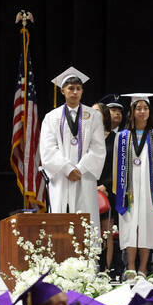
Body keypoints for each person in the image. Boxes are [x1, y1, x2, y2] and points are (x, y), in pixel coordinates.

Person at [39, 67, 107, 236]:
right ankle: (60, 259)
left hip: (85, 177)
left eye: (78, 88)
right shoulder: (51, 117)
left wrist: (80, 169)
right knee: (60, 218)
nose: (74, 92)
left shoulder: (94, 116)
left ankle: (87, 261)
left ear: (82, 91)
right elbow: (47, 148)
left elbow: (98, 147)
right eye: (70, 88)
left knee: (86, 221)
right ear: (62, 91)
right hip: (61, 176)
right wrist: (68, 169)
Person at [113, 93, 153, 278]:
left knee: (146, 226)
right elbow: (115, 165)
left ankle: (143, 268)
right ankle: (130, 267)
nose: (142, 111)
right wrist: (117, 189)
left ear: (149, 111)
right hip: (128, 187)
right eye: (138, 108)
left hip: (149, 189)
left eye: (145, 108)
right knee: (129, 226)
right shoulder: (121, 136)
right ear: (132, 111)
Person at [95, 101, 119, 273]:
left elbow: (119, 166)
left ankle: (106, 271)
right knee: (89, 231)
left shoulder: (115, 138)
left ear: (105, 115)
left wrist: (106, 185)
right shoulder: (85, 138)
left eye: (98, 112)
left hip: (107, 189)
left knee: (106, 232)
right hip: (87, 188)